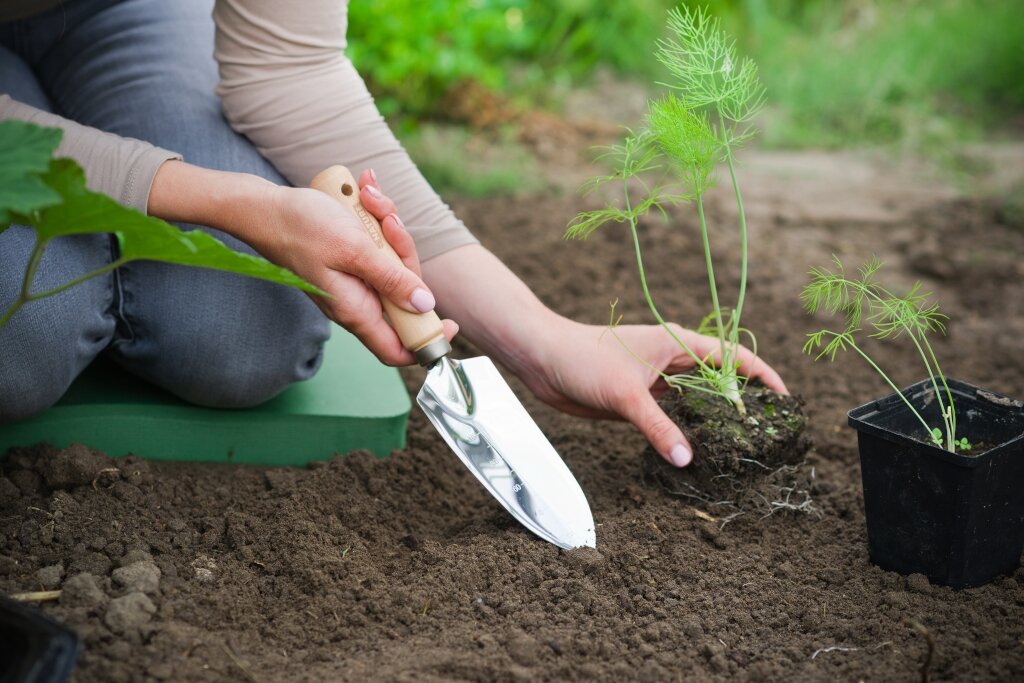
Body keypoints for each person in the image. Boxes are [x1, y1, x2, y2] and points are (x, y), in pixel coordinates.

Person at [0, 0, 787, 468]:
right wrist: (236, 201)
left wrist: (542, 339)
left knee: (243, 334)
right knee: (22, 338)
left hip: (123, 14)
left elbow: (289, 74)